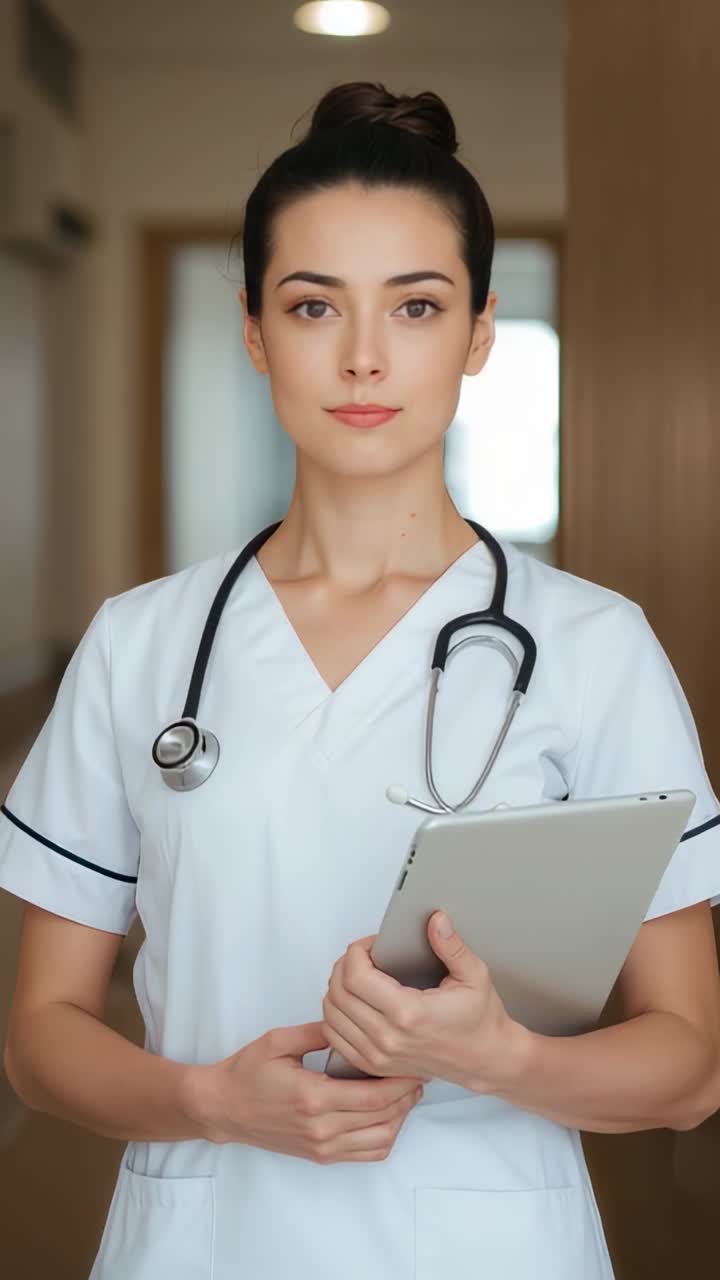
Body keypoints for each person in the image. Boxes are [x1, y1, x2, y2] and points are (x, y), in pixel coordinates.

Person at [1, 80, 719, 1280]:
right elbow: (39, 1037)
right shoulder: (141, 645)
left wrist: (501, 1055)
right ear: (253, 328)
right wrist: (210, 1098)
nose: (365, 355)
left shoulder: (595, 649)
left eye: (418, 304)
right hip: (201, 1242)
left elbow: (692, 1065)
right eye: (313, 304)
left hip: (492, 1242)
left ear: (480, 331)